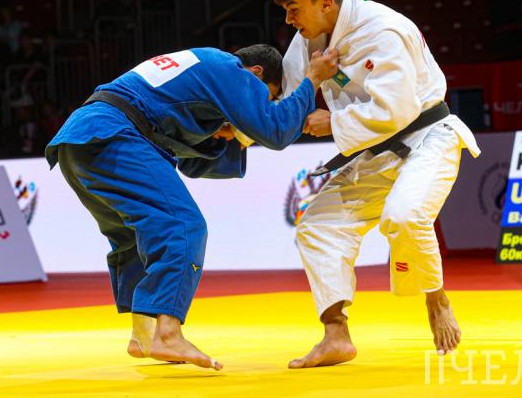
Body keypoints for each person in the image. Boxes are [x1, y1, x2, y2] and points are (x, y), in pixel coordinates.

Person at [45, 44, 339, 370]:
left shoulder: (200, 67)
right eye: (266, 97)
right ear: (255, 74)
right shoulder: (231, 70)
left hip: (81, 140)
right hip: (116, 134)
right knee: (183, 225)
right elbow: (276, 130)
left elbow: (191, 163)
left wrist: (229, 133)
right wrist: (312, 79)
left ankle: (144, 336)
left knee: (135, 235)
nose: (258, 105)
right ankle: (168, 333)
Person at [268, 0, 480, 368]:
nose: (289, 20)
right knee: (317, 227)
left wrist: (333, 123)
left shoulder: (384, 30)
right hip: (372, 151)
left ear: (325, 3)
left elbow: (395, 111)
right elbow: (293, 93)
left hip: (426, 138)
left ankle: (435, 298)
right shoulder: (308, 37)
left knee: (403, 215)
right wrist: (245, 124)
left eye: (293, 9)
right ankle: (336, 334)